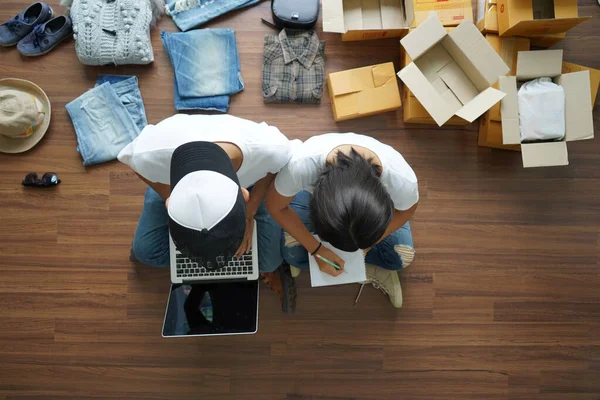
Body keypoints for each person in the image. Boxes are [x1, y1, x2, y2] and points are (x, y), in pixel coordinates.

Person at [118, 114, 299, 312]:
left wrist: (250, 211)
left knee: (270, 261)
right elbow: (137, 166)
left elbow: (277, 168)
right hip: (173, 182)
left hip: (251, 182)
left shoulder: (271, 148)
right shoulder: (146, 154)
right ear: (168, 204)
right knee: (145, 251)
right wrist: (171, 193)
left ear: (243, 194)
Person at [266, 133, 418, 308]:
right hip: (313, 195)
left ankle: (366, 269)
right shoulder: (300, 167)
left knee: (400, 259)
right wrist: (316, 249)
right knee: (292, 255)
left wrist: (369, 244)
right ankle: (364, 267)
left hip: (360, 208)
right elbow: (274, 206)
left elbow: (406, 211)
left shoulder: (402, 181)